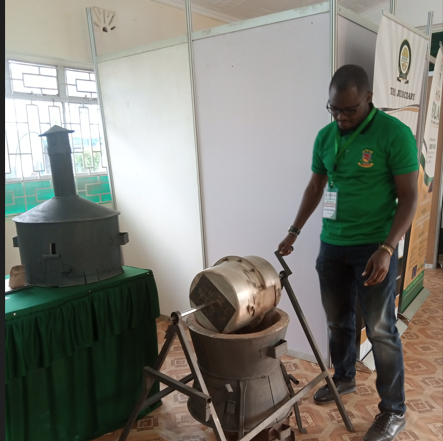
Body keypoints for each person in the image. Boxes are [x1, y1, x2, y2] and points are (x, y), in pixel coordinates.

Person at [278, 64, 418, 441]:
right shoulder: (325, 137)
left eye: (349, 110)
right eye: (334, 109)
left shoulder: (394, 134)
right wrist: (294, 230)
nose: (341, 117)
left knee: (380, 329)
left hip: (375, 248)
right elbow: (315, 186)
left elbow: (409, 197)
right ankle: (343, 377)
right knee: (338, 321)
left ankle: (394, 411)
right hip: (333, 246)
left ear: (368, 98)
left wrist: (388, 248)